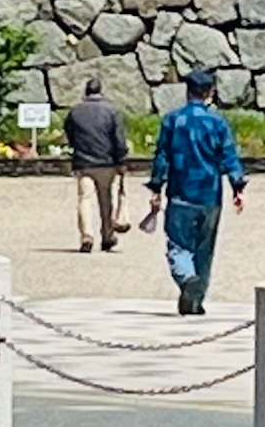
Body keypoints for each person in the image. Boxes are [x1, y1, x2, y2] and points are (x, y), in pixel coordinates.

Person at [145, 68, 247, 317]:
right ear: (210, 93)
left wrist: (157, 186)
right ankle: (196, 298)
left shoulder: (172, 121)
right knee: (204, 250)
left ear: (187, 91)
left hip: (180, 193)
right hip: (210, 195)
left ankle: (186, 278)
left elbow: (163, 157)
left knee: (178, 246)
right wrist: (238, 187)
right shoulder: (218, 123)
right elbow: (229, 156)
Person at [63, 77, 132, 253]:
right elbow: (118, 138)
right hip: (106, 162)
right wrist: (121, 160)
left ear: (86, 92)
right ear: (101, 91)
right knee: (106, 200)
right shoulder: (112, 111)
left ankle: (87, 235)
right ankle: (107, 235)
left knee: (84, 199)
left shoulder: (75, 112)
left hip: (84, 162)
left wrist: (76, 148)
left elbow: (69, 134)